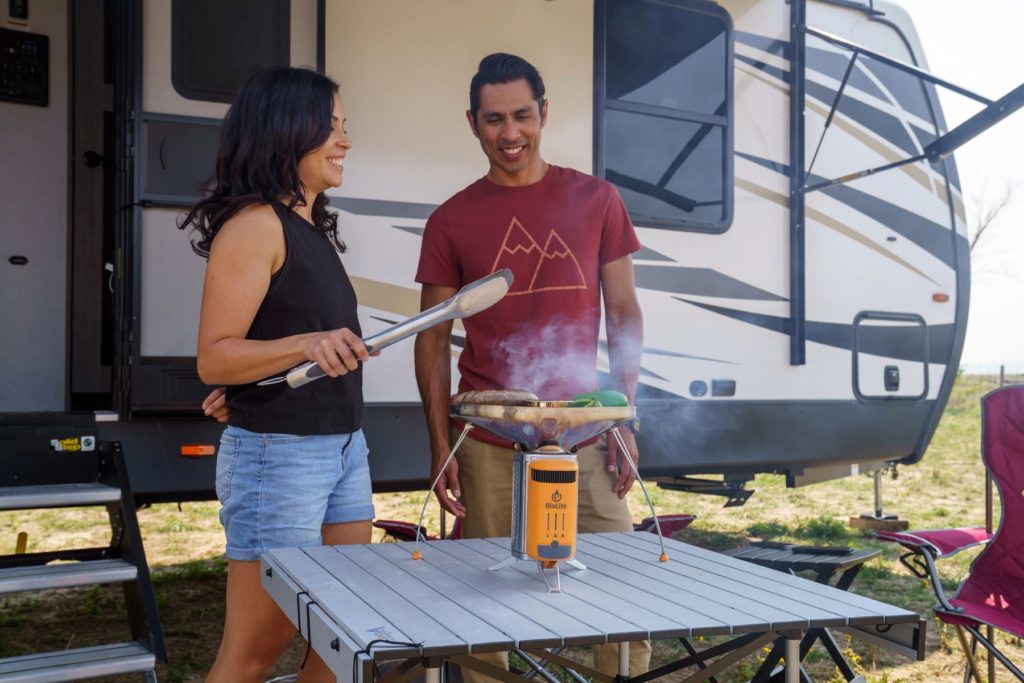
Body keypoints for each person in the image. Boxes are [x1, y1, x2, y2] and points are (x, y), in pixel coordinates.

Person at [413, 53, 650, 679]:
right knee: (478, 601)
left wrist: (625, 419)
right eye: (494, 120)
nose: (510, 133)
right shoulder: (450, 219)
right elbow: (432, 340)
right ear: (473, 123)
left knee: (620, 583)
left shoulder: (597, 199)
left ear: (544, 113)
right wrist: (441, 445)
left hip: (584, 431)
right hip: (488, 434)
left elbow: (624, 313)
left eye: (522, 115)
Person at [184, 67, 375, 683]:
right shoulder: (254, 225)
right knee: (257, 651)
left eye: (345, 128)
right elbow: (215, 355)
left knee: (342, 638)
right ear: (287, 131)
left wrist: (260, 374)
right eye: (332, 128)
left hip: (343, 447)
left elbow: (256, 351)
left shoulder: (311, 227)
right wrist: (304, 345)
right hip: (280, 458)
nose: (345, 141)